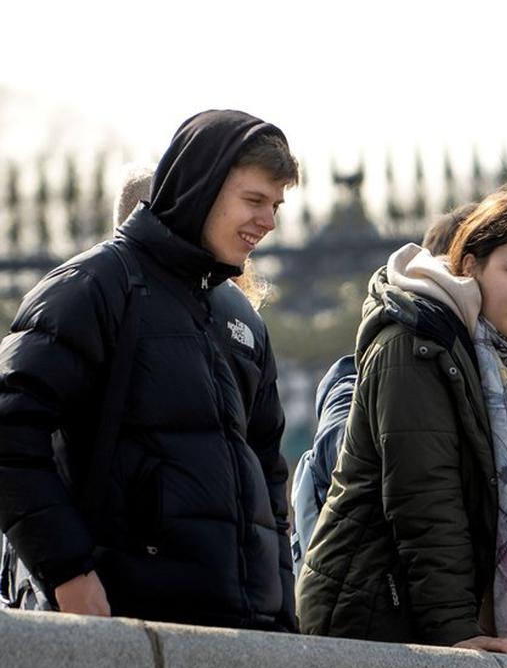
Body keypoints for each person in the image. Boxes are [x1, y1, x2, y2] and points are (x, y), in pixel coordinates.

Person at [0, 109, 300, 631]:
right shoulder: (94, 286)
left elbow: (270, 473)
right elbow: (8, 428)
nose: (269, 221)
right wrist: (68, 571)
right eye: (253, 200)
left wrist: (281, 611)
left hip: (248, 635)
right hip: (125, 624)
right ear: (200, 188)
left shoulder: (241, 318)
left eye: (274, 205)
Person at [296, 185, 507, 655]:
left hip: (436, 615)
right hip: (373, 614)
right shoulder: (416, 341)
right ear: (469, 265)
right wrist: (453, 629)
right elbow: (424, 499)